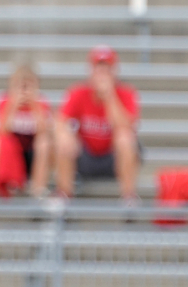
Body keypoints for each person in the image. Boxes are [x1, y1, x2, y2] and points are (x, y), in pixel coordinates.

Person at [54, 45, 141, 201]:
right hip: (86, 156)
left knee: (124, 138)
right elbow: (60, 122)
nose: (102, 75)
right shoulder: (78, 92)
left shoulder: (126, 93)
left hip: (113, 157)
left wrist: (109, 97)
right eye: (98, 69)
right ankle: (64, 196)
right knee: (64, 139)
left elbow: (128, 127)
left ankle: (129, 198)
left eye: (107, 69)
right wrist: (65, 135)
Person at [0, 64, 53, 198]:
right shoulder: (5, 102)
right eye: (21, 85)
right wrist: (13, 105)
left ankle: (38, 191)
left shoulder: (41, 103)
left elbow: (44, 131)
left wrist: (34, 105)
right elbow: (2, 131)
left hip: (32, 152)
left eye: (29, 85)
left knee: (44, 143)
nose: (24, 90)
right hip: (12, 152)